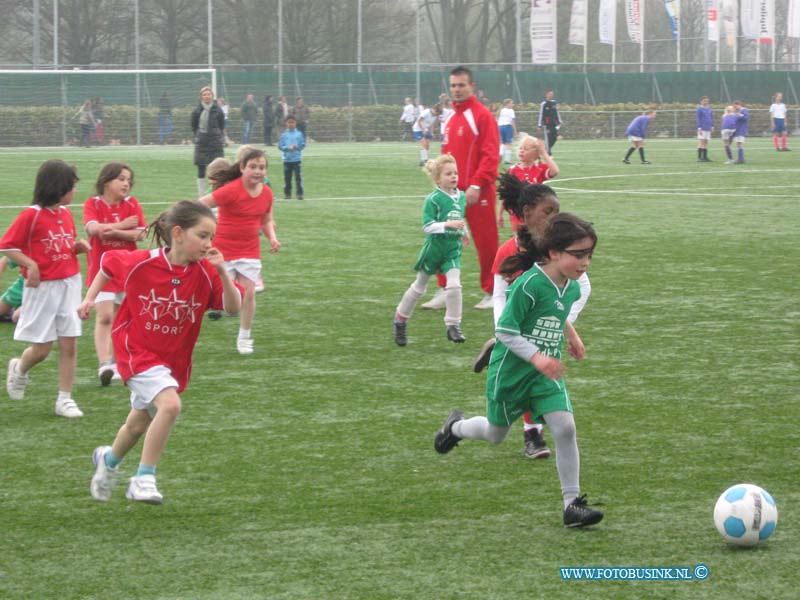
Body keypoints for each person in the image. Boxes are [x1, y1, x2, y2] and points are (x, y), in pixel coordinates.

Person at [434, 212, 603, 528]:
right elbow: (505, 331)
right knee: (495, 434)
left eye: (589, 255)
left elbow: (557, 311)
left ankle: (572, 505)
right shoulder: (528, 285)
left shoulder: (573, 287)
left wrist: (572, 335)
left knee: (565, 428)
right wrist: (537, 357)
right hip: (511, 372)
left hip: (543, 376)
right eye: (578, 255)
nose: (585, 263)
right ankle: (455, 427)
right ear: (554, 253)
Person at [82, 201, 242, 504]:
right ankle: (144, 477)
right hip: (136, 351)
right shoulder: (142, 262)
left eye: (211, 237)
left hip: (172, 362)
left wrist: (222, 272)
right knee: (170, 406)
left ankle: (108, 461)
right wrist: (88, 299)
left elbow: (232, 308)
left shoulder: (207, 272)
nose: (208, 244)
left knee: (138, 424)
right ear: (178, 233)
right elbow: (106, 265)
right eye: (203, 235)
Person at [474, 176, 591, 459]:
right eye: (547, 212)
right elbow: (499, 294)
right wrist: (503, 327)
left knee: (543, 377)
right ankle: (529, 430)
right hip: (515, 329)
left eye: (556, 211)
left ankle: (533, 434)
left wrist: (568, 329)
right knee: (497, 429)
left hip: (545, 327)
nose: (554, 217)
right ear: (527, 213)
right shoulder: (508, 251)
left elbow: (577, 290)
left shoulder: (558, 250)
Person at [0, 159, 90, 418]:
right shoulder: (32, 214)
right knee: (42, 349)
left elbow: (61, 247)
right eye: (71, 186)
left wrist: (76, 249)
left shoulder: (66, 213)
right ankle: (19, 368)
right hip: (43, 289)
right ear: (57, 186)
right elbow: (7, 245)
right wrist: (31, 266)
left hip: (69, 283)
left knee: (70, 342)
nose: (74, 192)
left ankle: (65, 399)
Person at [423, 66, 500, 312]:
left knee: (486, 241)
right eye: (453, 85)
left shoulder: (481, 116)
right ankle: (446, 289)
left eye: (461, 85)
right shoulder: (451, 117)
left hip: (478, 191)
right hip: (452, 193)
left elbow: (490, 154)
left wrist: (477, 184)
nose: (456, 90)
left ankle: (493, 291)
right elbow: (447, 157)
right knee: (444, 239)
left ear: (471, 86)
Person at [198, 146, 280, 355]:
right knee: (213, 296)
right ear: (242, 168)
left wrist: (272, 238)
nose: (258, 171)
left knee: (248, 294)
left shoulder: (267, 193)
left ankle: (244, 337)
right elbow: (202, 204)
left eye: (262, 167)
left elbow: (267, 220)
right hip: (222, 251)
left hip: (249, 251)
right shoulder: (231, 190)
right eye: (252, 166)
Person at [393, 154, 468, 347]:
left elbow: (460, 218)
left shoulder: (461, 196)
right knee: (419, 287)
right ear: (437, 179)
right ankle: (400, 321)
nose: (454, 177)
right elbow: (427, 226)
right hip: (434, 249)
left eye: (456, 173)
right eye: (448, 174)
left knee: (454, 285)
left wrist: (464, 231)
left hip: (452, 249)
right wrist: (447, 225)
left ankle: (453, 325)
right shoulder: (433, 199)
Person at [83, 162, 147, 386]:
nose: (126, 183)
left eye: (128, 180)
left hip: (128, 272)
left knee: (125, 319)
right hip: (102, 273)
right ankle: (104, 364)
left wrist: (113, 229)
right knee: (106, 316)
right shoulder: (93, 203)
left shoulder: (132, 204)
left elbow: (140, 234)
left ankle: (121, 362)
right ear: (106, 181)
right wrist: (123, 225)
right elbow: (93, 229)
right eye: (121, 178)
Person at [502, 136, 559, 231]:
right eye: (520, 148)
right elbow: (505, 194)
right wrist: (500, 214)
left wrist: (544, 153)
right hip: (517, 212)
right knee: (520, 238)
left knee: (536, 236)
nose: (521, 151)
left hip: (535, 211)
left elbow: (555, 171)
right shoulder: (512, 170)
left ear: (536, 154)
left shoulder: (539, 168)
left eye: (526, 149)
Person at [190, 86, 226, 198]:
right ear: (201, 97)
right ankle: (201, 196)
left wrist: (216, 135)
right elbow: (194, 126)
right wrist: (200, 135)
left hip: (215, 143)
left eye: (208, 94)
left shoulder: (218, 110)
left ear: (212, 96)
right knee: (201, 169)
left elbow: (221, 125)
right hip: (202, 143)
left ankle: (216, 193)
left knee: (218, 169)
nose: (207, 96)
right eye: (204, 94)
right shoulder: (196, 111)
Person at [278, 115, 306, 200]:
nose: (291, 124)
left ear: (295, 123)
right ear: (286, 123)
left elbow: (303, 144)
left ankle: (299, 194)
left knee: (298, 178)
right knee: (287, 178)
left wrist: (296, 147)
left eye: (292, 122)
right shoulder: (284, 135)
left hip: (297, 159)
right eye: (289, 122)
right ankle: (287, 194)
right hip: (287, 160)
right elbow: (280, 146)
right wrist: (287, 148)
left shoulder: (299, 134)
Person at [0, 256, 24, 323]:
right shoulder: (30, 249)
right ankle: (10, 311)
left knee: (17, 317)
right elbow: (5, 259)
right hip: (22, 285)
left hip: (42, 290)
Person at [537, 89, 561, 155]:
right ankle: (548, 152)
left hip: (554, 124)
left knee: (555, 137)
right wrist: (539, 125)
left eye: (552, 94)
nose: (551, 95)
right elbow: (541, 114)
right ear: (546, 95)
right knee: (548, 138)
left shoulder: (554, 103)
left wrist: (559, 121)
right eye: (550, 94)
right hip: (547, 124)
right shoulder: (544, 104)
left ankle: (547, 148)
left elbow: (557, 112)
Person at [497, 99, 517, 164]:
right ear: (507, 104)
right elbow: (512, 121)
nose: (512, 105)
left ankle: (500, 154)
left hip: (500, 127)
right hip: (507, 127)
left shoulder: (501, 110)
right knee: (508, 143)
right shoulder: (511, 110)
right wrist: (515, 130)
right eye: (511, 103)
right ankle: (507, 160)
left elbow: (497, 119)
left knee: (502, 142)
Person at [696, 96, 714, 162]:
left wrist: (712, 126)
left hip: (708, 128)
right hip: (702, 128)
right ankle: (699, 157)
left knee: (706, 142)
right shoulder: (699, 109)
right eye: (704, 101)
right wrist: (699, 128)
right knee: (701, 142)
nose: (706, 102)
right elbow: (698, 119)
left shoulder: (709, 108)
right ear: (701, 101)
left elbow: (711, 117)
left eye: (707, 101)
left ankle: (705, 157)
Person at [731, 100, 749, 164]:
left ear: (739, 105)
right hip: (737, 129)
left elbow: (746, 118)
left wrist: (739, 115)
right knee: (738, 144)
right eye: (734, 107)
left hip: (741, 129)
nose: (735, 108)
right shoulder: (737, 112)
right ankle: (740, 158)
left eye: (735, 106)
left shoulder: (744, 110)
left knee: (739, 143)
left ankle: (741, 159)